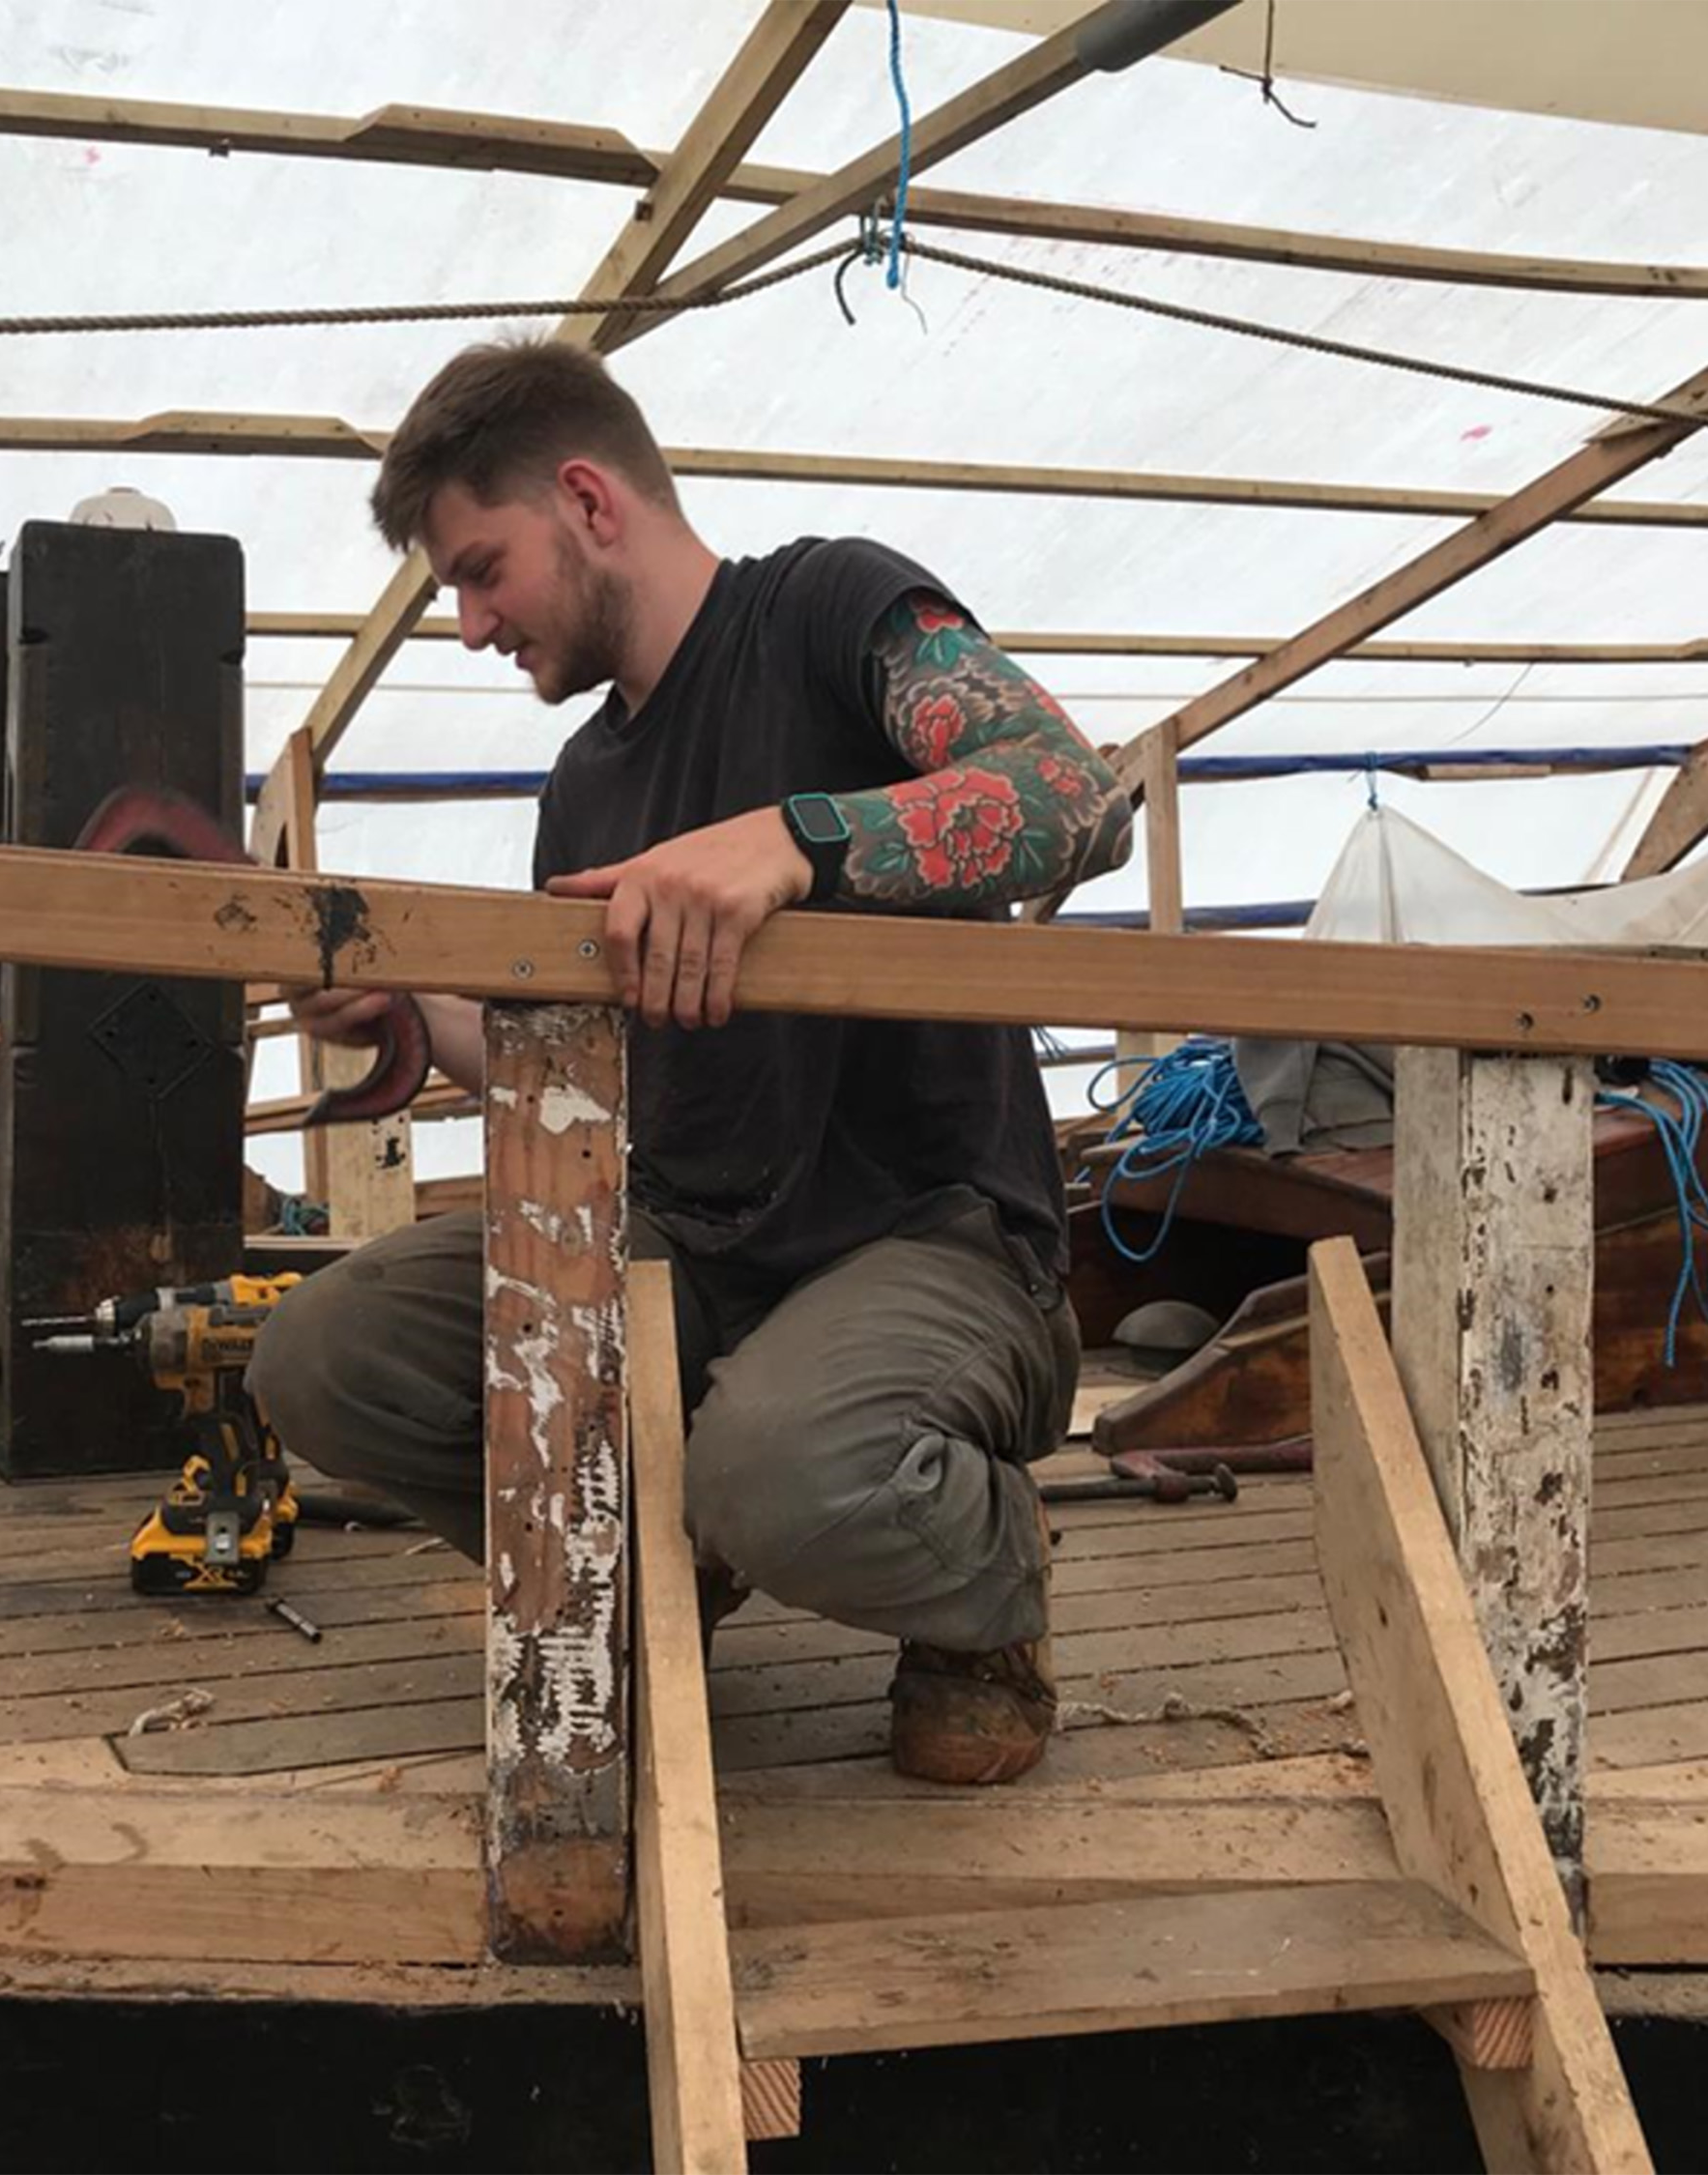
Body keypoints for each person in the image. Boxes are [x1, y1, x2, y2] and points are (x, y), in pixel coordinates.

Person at [250, 339, 1133, 1784]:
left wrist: (792, 840)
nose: (470, 625)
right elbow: (586, 1070)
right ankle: (648, 1569)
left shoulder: (827, 608)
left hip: (935, 1239)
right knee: (326, 1355)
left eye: (482, 569)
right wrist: (412, 1014)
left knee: (780, 1469)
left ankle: (986, 1582)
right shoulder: (585, 786)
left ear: (589, 499)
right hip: (694, 1246)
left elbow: (1063, 793)